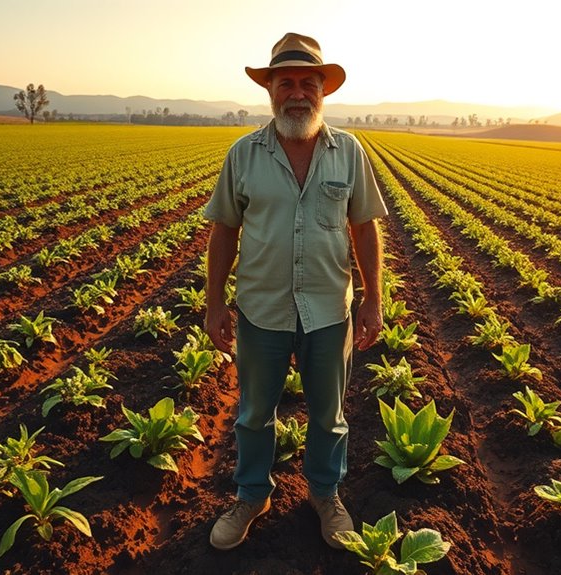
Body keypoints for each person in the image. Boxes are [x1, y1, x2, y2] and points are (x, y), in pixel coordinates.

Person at [203, 32, 388, 551]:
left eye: (309, 82)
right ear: (271, 91)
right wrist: (215, 302)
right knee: (254, 413)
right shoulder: (244, 155)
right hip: (261, 309)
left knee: (329, 415)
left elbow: (366, 228)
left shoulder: (348, 152)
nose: (298, 92)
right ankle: (251, 494)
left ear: (323, 92)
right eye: (286, 82)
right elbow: (224, 230)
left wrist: (374, 300)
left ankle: (325, 495)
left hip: (330, 310)